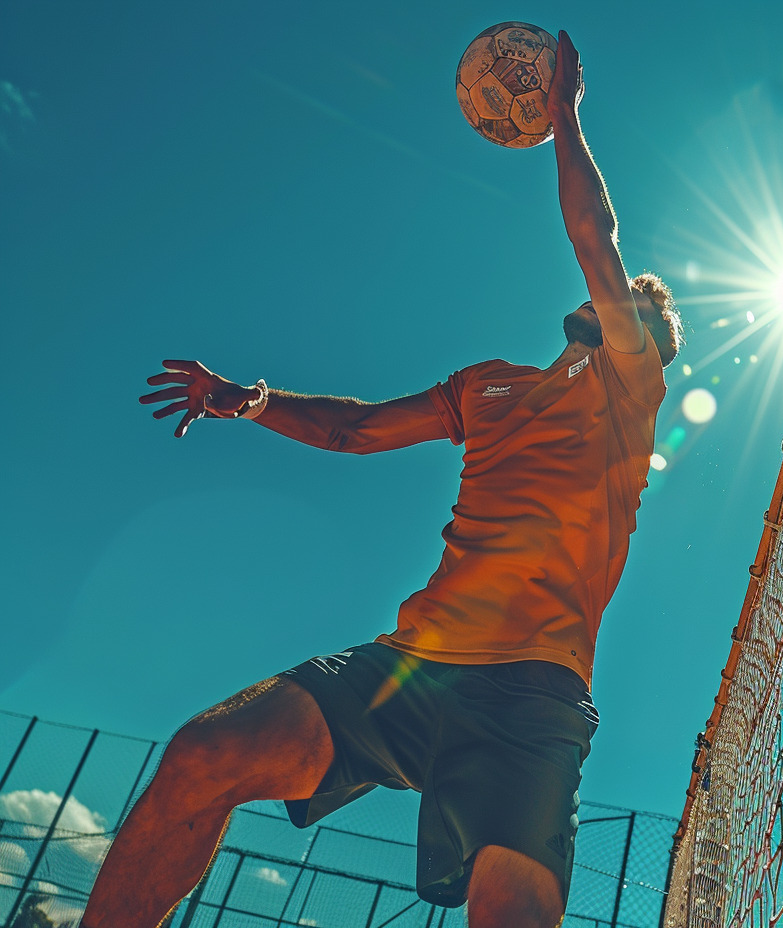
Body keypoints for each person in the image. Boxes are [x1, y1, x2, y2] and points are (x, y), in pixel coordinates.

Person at [85, 30, 681, 928]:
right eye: (626, 292)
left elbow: (595, 237)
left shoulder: (630, 393)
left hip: (531, 695)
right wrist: (246, 399)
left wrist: (561, 116)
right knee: (202, 754)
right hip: (411, 667)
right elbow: (353, 429)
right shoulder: (488, 386)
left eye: (640, 300)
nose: (623, 293)